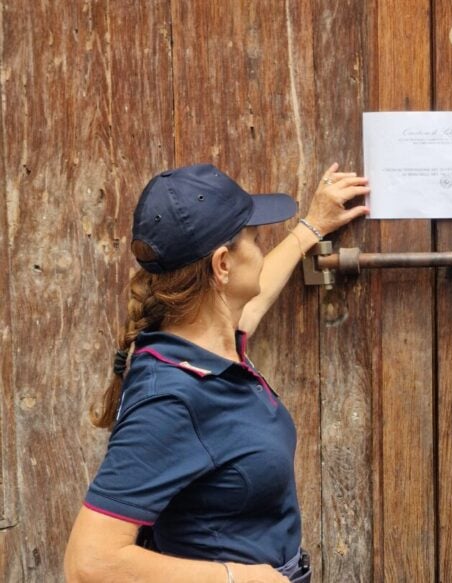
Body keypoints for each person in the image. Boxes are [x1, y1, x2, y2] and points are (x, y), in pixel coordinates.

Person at [64, 162, 369, 583]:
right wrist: (237, 579)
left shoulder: (207, 346)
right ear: (223, 265)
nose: (261, 250)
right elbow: (89, 562)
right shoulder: (171, 396)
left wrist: (311, 227)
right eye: (254, 239)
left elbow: (251, 306)